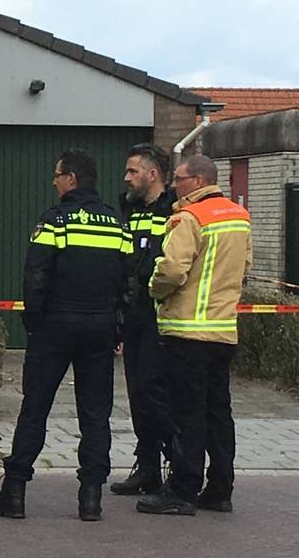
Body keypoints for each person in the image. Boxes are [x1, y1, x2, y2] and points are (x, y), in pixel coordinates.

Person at [0, 149, 132, 522]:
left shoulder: (56, 220)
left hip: (55, 326)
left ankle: (15, 493)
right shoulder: (117, 223)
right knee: (95, 414)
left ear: (71, 178)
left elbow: (35, 275)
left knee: (35, 408)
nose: (53, 181)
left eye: (56, 175)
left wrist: (34, 323)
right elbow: (128, 282)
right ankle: (91, 498)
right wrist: (118, 328)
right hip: (99, 328)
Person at [138, 155, 251, 516]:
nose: (175, 185)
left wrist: (154, 289)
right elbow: (244, 266)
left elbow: (172, 269)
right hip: (222, 333)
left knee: (187, 413)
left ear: (199, 181)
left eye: (181, 179)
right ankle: (220, 489)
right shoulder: (238, 217)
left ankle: (183, 490)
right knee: (219, 412)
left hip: (187, 332)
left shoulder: (189, 217)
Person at [111, 144, 177, 496]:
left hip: (161, 317)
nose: (126, 177)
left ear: (153, 174)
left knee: (155, 391)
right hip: (134, 315)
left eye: (133, 171)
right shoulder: (131, 209)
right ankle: (148, 466)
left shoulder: (175, 210)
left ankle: (178, 461)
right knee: (137, 393)